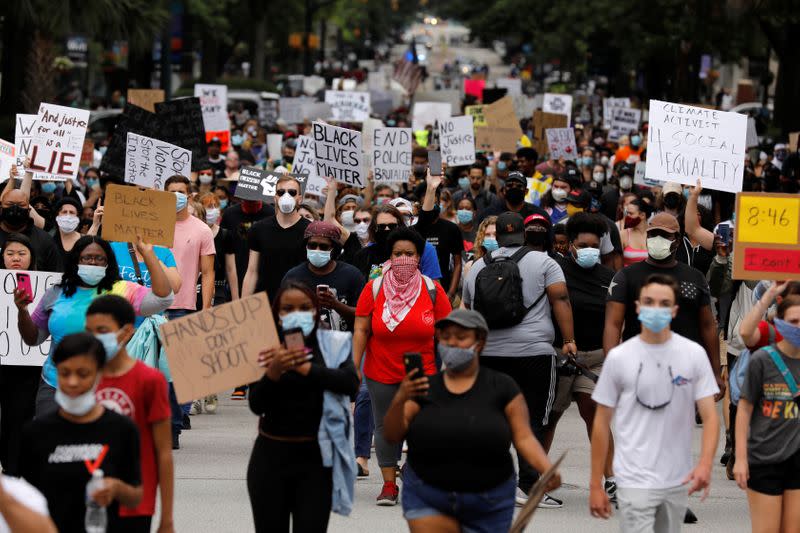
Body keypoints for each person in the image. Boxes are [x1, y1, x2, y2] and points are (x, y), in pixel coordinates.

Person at [383, 309, 561, 532]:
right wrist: (400, 398)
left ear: (480, 342)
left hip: (489, 497)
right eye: (446, 337)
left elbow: (523, 436)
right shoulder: (421, 388)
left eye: (461, 337)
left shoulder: (502, 387)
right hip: (428, 494)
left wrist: (546, 469)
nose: (452, 343)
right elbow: (391, 434)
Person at [461, 212, 576, 508]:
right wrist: (568, 341)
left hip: (489, 354)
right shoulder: (545, 262)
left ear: (495, 236)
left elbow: (469, 308)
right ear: (523, 235)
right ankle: (526, 486)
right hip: (533, 353)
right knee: (535, 418)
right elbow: (560, 300)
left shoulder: (476, 267)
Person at [590, 274, 720, 532]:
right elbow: (601, 423)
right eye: (649, 302)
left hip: (676, 477)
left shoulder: (693, 355)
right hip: (633, 477)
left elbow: (710, 416)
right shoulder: (619, 357)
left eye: (663, 304)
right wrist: (596, 483)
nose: (655, 309)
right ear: (637, 307)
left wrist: (705, 465)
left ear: (674, 311)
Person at [15, 235, 174, 416]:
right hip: (55, 386)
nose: (93, 263)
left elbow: (163, 298)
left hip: (106, 388)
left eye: (100, 259)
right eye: (87, 258)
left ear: (108, 263)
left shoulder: (123, 289)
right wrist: (22, 311)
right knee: (49, 442)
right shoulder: (55, 292)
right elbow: (33, 339)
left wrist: (148, 255)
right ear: (76, 261)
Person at [248, 282, 359, 532]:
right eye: (287, 309)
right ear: (276, 313)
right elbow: (256, 404)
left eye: (304, 308)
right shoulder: (265, 349)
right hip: (270, 460)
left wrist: (307, 369)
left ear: (315, 311)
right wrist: (274, 371)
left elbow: (351, 384)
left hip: (316, 463)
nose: (296, 313)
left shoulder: (333, 344)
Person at [353, 228, 452, 505]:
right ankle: (388, 485)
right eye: (398, 254)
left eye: (410, 254)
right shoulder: (373, 287)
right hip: (380, 370)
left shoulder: (433, 289)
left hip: (421, 372)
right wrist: (353, 366)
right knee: (385, 427)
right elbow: (361, 328)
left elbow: (446, 332)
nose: (404, 259)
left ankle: (412, 468)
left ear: (419, 257)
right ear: (390, 257)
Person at [18, 333, 143, 533]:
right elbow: (27, 497)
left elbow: (136, 495)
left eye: (83, 373)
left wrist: (116, 488)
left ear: (100, 373)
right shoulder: (36, 432)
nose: (73, 382)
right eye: (65, 373)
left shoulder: (122, 429)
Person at [604, 212, 723, 397]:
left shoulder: (695, 277)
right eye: (653, 234)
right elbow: (613, 324)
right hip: (637, 370)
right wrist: (611, 371)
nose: (657, 239)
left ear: (677, 240)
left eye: (664, 235)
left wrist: (715, 373)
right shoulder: (626, 277)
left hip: (683, 373)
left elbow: (708, 326)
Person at [86, 296, 174, 533]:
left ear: (126, 332)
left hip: (135, 501)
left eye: (102, 330)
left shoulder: (149, 380)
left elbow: (163, 452)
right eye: (89, 331)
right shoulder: (83, 379)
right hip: (88, 500)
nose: (95, 338)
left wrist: (167, 517)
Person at [548, 214, 617, 499]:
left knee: (595, 415)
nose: (589, 249)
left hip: (596, 358)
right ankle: (533, 476)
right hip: (562, 356)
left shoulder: (610, 278)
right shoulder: (556, 270)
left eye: (594, 245)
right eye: (582, 244)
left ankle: (612, 479)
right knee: (549, 417)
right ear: (571, 246)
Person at [734, 294, 800, 533]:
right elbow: (744, 408)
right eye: (793, 321)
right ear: (779, 322)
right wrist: (741, 458)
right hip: (764, 457)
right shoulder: (763, 359)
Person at [0, 235, 43, 477]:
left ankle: (13, 466)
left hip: (26, 364)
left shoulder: (44, 284)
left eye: (21, 253)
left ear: (31, 257)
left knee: (19, 415)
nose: (15, 258)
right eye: (10, 253)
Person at [282, 221, 365, 332]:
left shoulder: (352, 275)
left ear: (334, 249)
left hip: (343, 345)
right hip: (306, 346)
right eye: (312, 245)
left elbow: (363, 315)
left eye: (323, 247)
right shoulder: (293, 277)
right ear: (306, 246)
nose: (317, 250)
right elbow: (284, 315)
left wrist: (335, 305)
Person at [242, 175, 311, 302]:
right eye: (281, 192)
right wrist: (243, 306)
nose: (286, 196)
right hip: (264, 301)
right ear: (275, 198)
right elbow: (252, 272)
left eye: (292, 192)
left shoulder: (310, 230)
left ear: (299, 199)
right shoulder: (258, 229)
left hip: (297, 302)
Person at [164, 176, 216, 319]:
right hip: (150, 303)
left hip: (183, 307)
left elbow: (207, 273)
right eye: (172, 191)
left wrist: (206, 307)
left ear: (188, 197)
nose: (176, 195)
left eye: (180, 192)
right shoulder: (154, 227)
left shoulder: (203, 230)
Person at [351, 205, 441, 282]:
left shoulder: (421, 249)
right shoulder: (364, 255)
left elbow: (432, 286)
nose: (387, 229)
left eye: (392, 226)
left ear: (400, 226)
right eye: (381, 226)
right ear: (374, 228)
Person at [416, 174, 464, 302]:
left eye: (436, 202)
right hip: (417, 293)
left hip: (443, 291)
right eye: (428, 203)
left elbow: (458, 262)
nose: (433, 205)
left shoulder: (452, 229)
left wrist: (451, 293)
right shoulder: (413, 231)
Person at [219, 198, 274, 298]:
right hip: (236, 276)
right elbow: (225, 251)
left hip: (264, 278)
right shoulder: (230, 214)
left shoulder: (271, 213)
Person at [0, 188, 62, 272]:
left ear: (29, 210)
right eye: (9, 204)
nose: (15, 208)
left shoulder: (45, 240)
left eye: (21, 205)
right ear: (1, 209)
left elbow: (55, 275)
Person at [200, 193, 240, 305]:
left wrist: (236, 298)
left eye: (215, 206)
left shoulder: (225, 235)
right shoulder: (194, 232)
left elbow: (231, 269)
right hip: (196, 289)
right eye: (209, 206)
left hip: (219, 291)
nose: (213, 210)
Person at [476, 172, 549, 224]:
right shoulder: (489, 214)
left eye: (519, 186)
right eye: (510, 185)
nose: (514, 188)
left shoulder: (538, 215)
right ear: (504, 190)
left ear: (526, 191)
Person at [620, 198, 650, 267]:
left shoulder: (654, 234)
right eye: (627, 213)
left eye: (631, 213)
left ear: (642, 215)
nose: (627, 216)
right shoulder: (623, 235)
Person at [51, 197, 83, 262]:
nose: (68, 216)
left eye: (72, 212)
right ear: (57, 216)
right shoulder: (49, 239)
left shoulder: (83, 240)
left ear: (77, 218)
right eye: (64, 212)